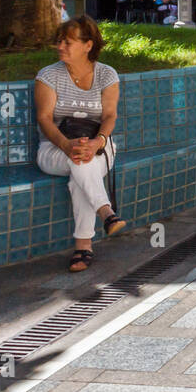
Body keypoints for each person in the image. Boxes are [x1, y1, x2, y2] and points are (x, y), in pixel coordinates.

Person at [34, 16, 124, 273]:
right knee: (80, 161)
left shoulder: (107, 74)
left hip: (98, 146)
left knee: (82, 168)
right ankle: (106, 213)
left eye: (68, 41)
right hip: (54, 149)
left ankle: (84, 247)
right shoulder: (48, 75)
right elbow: (44, 118)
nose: (60, 46)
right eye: (59, 41)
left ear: (88, 45)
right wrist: (66, 145)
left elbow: (109, 116)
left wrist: (98, 142)